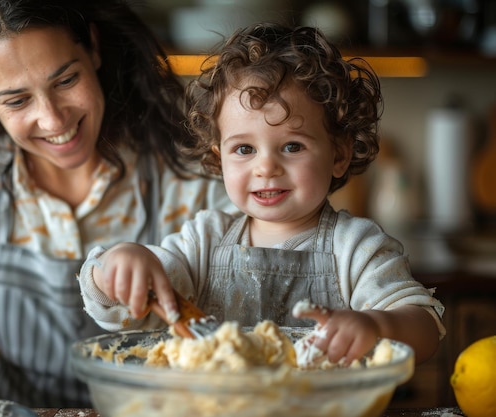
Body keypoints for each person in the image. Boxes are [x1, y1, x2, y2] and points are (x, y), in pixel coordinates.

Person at [0, 0, 236, 408]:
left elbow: (230, 329)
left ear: (92, 48)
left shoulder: (187, 166)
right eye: (17, 101)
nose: (54, 121)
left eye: (65, 81)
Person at [78, 23, 446, 366]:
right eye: (244, 149)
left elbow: (425, 328)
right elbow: (122, 309)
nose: (265, 168)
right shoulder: (203, 242)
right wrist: (117, 265)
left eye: (292, 146)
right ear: (219, 157)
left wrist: (377, 327)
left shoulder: (357, 250)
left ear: (339, 154)